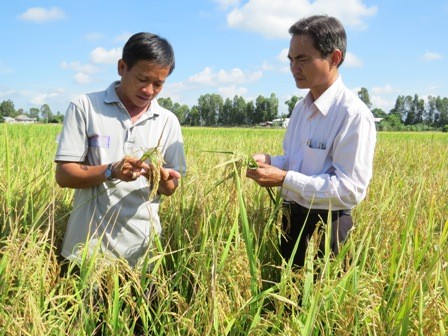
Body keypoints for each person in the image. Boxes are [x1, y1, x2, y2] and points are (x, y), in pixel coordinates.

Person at [246, 15, 376, 268]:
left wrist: (283, 179)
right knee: (287, 296)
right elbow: (295, 161)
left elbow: (350, 190)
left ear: (334, 58)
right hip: (290, 218)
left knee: (320, 299)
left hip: (328, 226)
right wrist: (271, 161)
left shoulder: (353, 114)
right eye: (291, 60)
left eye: (303, 59)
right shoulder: (300, 108)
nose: (294, 68)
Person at [55, 32, 186, 270]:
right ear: (122, 67)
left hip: (142, 255)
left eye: (158, 84)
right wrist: (110, 171)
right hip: (86, 251)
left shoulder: (167, 121)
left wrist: (162, 179)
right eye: (142, 79)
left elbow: (170, 187)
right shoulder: (85, 107)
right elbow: (64, 175)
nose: (149, 90)